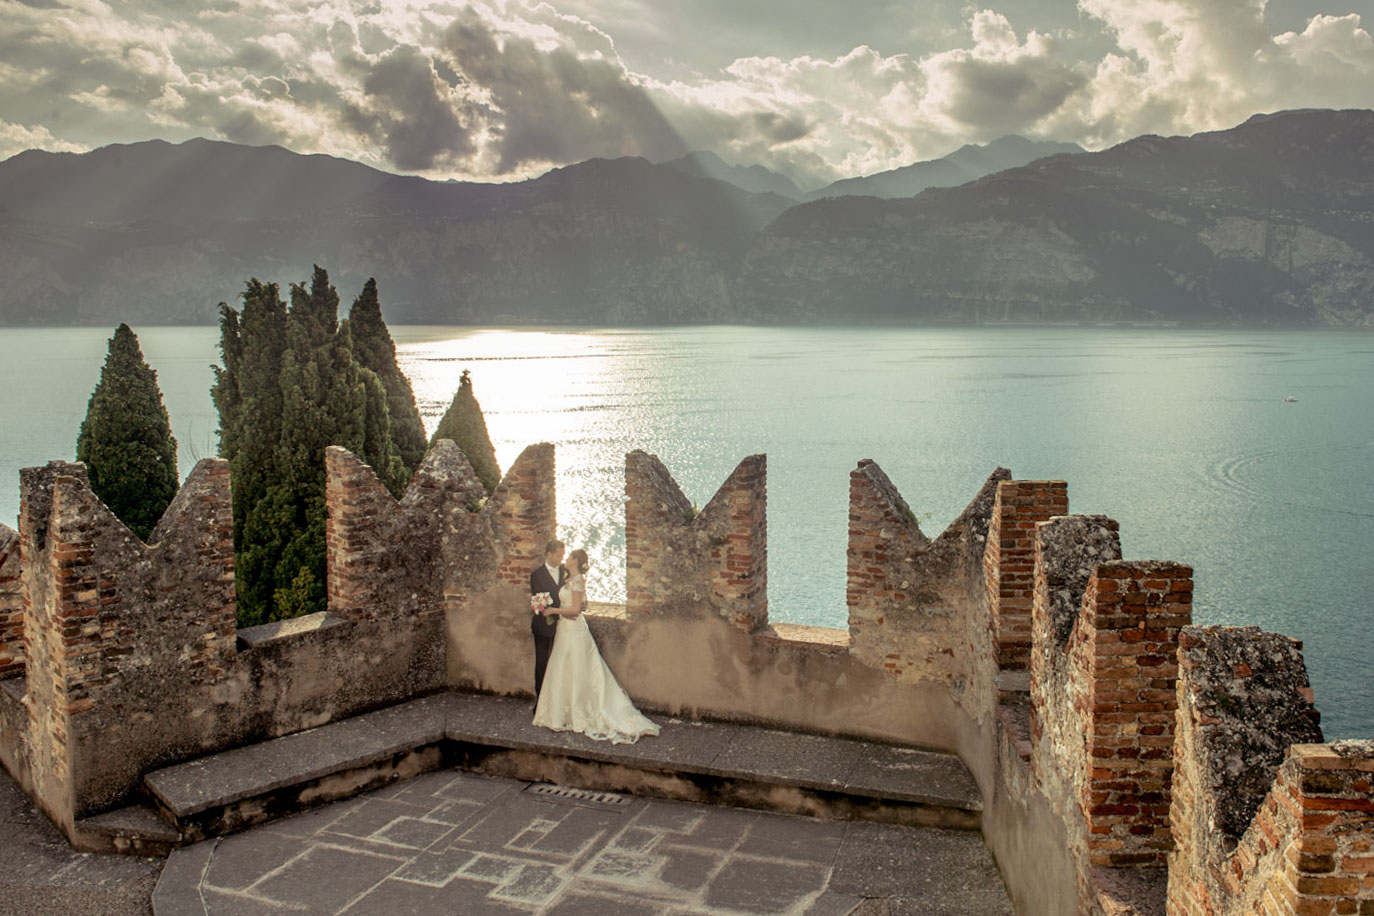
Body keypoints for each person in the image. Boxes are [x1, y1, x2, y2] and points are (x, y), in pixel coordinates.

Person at [533, 548, 660, 744]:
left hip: (573, 630)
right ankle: (561, 713)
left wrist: (552, 610)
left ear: (575, 561)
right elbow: (581, 604)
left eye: (569, 556)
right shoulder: (571, 578)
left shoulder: (576, 581)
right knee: (563, 668)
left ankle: (578, 714)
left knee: (577, 669)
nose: (566, 559)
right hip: (565, 630)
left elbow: (575, 611)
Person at [529, 539, 568, 707]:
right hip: (543, 625)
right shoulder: (536, 575)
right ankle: (540, 700)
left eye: (562, 555)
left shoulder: (566, 571)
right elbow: (539, 600)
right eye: (558, 555)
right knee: (542, 662)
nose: (560, 558)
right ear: (548, 554)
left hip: (565, 623)